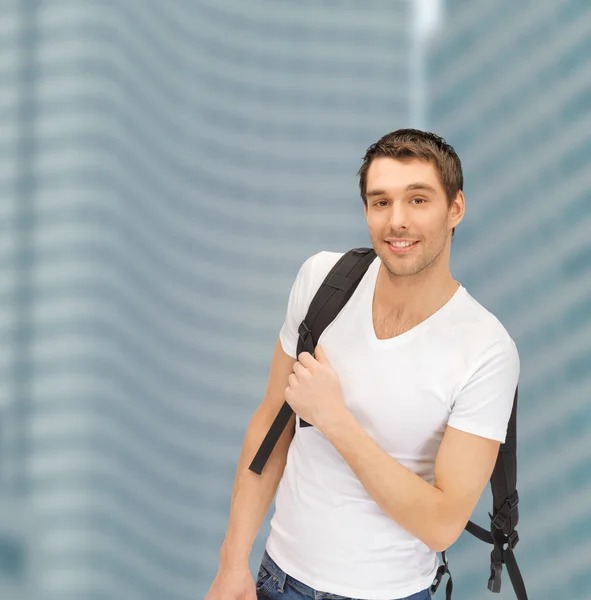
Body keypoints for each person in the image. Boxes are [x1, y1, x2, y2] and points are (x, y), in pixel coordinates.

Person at [205, 129, 520, 600]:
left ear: (455, 208)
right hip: (277, 579)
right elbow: (271, 425)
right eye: (380, 202)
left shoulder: (487, 350)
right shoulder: (322, 281)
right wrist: (233, 563)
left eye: (418, 200)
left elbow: (441, 525)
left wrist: (334, 419)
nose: (397, 221)